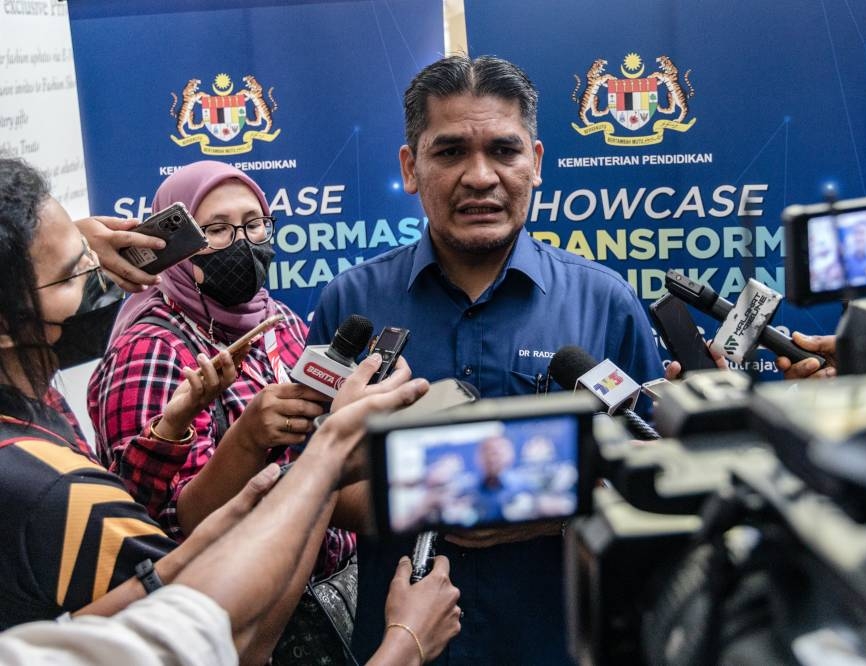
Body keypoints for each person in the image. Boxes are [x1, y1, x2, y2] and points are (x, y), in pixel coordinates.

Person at [309, 54, 664, 663]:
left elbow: (655, 471)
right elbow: (311, 485)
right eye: (449, 153)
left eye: (504, 150)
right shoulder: (352, 303)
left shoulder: (604, 301)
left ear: (537, 162)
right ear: (410, 168)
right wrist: (451, 498)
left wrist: (543, 513)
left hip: (566, 642)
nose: (480, 177)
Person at [86, 161, 354, 659]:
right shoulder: (151, 349)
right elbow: (151, 524)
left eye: (254, 224)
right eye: (215, 230)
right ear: (178, 245)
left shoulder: (280, 320)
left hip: (322, 600)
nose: (243, 242)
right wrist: (244, 440)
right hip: (232, 624)